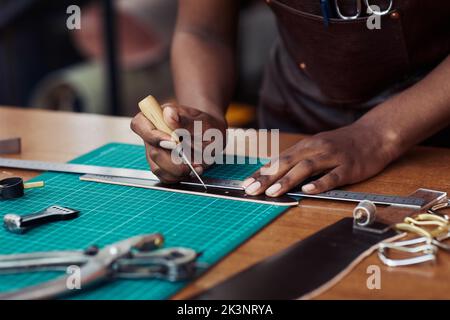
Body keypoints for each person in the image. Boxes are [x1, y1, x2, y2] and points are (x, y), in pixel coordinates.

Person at [131, 0, 450, 198]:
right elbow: (203, 30)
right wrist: (203, 116)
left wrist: (378, 134)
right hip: (293, 126)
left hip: (431, 135)